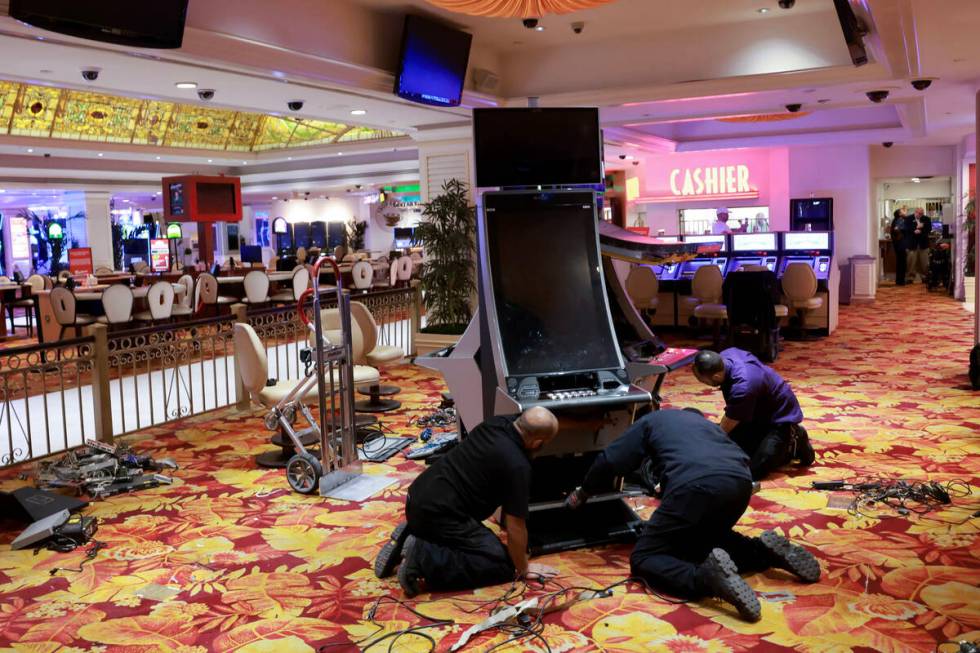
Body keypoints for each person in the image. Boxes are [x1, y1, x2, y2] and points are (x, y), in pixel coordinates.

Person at [564, 409, 820, 622]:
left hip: (696, 486)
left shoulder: (651, 421)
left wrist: (583, 492)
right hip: (740, 484)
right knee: (703, 538)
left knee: (645, 558)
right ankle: (762, 551)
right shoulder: (706, 426)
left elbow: (610, 461)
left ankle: (705, 580)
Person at [374, 407, 560, 597]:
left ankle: (416, 534)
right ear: (537, 442)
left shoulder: (496, 423)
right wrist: (523, 568)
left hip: (419, 497)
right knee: (502, 565)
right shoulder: (517, 466)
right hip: (441, 515)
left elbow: (531, 421)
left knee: (488, 549)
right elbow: (515, 527)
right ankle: (422, 558)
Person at [692, 349, 814, 480]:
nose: (703, 384)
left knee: (754, 471)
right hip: (754, 411)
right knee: (731, 452)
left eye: (703, 381)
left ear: (716, 377)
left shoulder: (743, 387)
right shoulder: (728, 353)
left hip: (779, 418)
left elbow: (727, 425)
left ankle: (794, 439)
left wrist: (708, 446)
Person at [910, 208, 933, 283]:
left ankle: (925, 277)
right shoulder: (909, 218)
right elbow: (907, 229)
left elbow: (929, 229)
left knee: (925, 262)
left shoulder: (926, 219)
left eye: (922, 213)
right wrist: (914, 230)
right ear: (915, 212)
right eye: (919, 213)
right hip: (912, 244)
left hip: (924, 243)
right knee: (911, 262)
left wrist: (921, 230)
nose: (921, 215)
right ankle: (910, 278)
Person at [890, 207, 909, 285]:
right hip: (900, 244)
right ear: (900, 214)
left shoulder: (896, 220)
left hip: (898, 244)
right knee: (902, 262)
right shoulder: (900, 220)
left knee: (900, 262)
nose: (905, 212)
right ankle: (901, 281)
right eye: (903, 211)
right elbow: (897, 230)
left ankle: (899, 280)